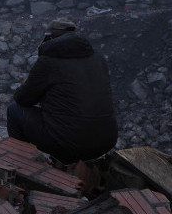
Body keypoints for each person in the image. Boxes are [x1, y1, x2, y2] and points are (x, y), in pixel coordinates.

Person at [7, 19, 118, 163]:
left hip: (70, 144)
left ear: (50, 38)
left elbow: (23, 99)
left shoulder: (48, 62)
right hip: (106, 140)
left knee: (14, 111)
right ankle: (65, 163)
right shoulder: (98, 58)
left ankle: (22, 165)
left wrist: (32, 86)